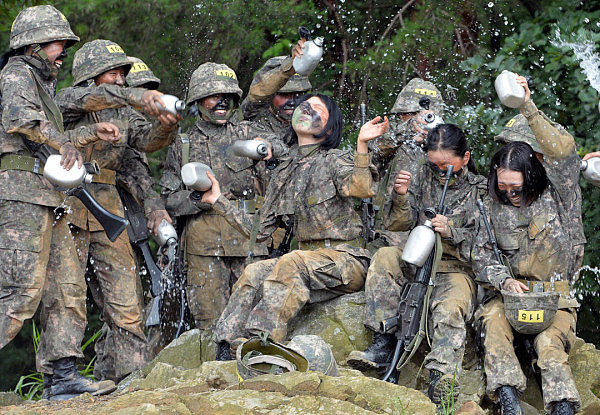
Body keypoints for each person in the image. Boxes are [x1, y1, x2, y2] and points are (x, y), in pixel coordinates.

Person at [0, 5, 132, 400]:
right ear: (35, 45)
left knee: (65, 288)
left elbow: (52, 134)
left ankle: (62, 378)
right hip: (21, 194)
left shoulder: (45, 85)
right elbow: (20, 119)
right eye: (59, 43)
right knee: (18, 292)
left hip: (48, 196)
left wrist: (85, 134)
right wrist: (63, 142)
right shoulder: (16, 74)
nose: (64, 51)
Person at [199, 93, 388, 359]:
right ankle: (225, 350)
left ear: (330, 127)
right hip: (306, 261)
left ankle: (262, 345)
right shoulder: (284, 170)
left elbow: (362, 187)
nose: (307, 109)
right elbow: (260, 232)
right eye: (304, 105)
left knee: (291, 262)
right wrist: (218, 200)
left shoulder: (335, 159)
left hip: (347, 259)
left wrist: (361, 145)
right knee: (254, 272)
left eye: (317, 109)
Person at [53, 39, 180, 382]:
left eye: (123, 73)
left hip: (108, 209)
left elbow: (146, 140)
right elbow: (88, 100)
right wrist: (137, 98)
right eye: (113, 72)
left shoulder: (123, 115)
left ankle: (130, 377)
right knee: (66, 293)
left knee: (126, 300)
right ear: (91, 75)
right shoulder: (66, 99)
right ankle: (61, 378)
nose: (122, 79)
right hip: (66, 204)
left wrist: (166, 122)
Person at [347, 124, 486, 406]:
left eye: (446, 166)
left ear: (466, 158)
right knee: (385, 257)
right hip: (414, 256)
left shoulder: (481, 190)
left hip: (453, 268)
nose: (439, 172)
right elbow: (398, 225)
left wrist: (452, 231)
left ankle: (442, 376)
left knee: (450, 308)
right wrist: (400, 196)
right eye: (433, 165)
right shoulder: (420, 176)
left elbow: (486, 245)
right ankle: (382, 342)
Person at [472, 76, 581, 415]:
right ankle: (508, 403)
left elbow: (563, 151)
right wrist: (504, 281)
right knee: (493, 325)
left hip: (556, 298)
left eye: (514, 183)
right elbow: (481, 254)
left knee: (550, 347)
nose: (507, 190)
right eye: (502, 183)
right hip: (510, 298)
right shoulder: (491, 203)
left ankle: (562, 408)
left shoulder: (560, 192)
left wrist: (527, 106)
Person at [159, 62, 282, 332]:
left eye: (227, 97)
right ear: (199, 100)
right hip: (203, 247)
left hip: (247, 240)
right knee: (210, 324)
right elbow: (167, 199)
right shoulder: (183, 145)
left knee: (254, 321)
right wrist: (195, 200)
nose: (222, 103)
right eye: (215, 96)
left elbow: (282, 151)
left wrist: (270, 150)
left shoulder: (248, 135)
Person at [493, 92, 585, 281]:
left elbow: (562, 153)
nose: (513, 157)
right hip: (509, 291)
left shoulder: (559, 187)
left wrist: (527, 106)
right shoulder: (499, 189)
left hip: (555, 294)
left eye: (522, 152)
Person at [368, 78, 446, 242]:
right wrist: (405, 131)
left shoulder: (448, 147)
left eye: (425, 116)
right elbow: (370, 155)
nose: (418, 120)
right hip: (389, 236)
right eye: (408, 115)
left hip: (433, 238)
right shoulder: (392, 143)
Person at [240, 39, 310, 137]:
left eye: (298, 94)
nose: (292, 101)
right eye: (284, 95)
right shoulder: (254, 116)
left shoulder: (310, 125)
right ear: (270, 94)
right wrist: (288, 69)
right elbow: (259, 93)